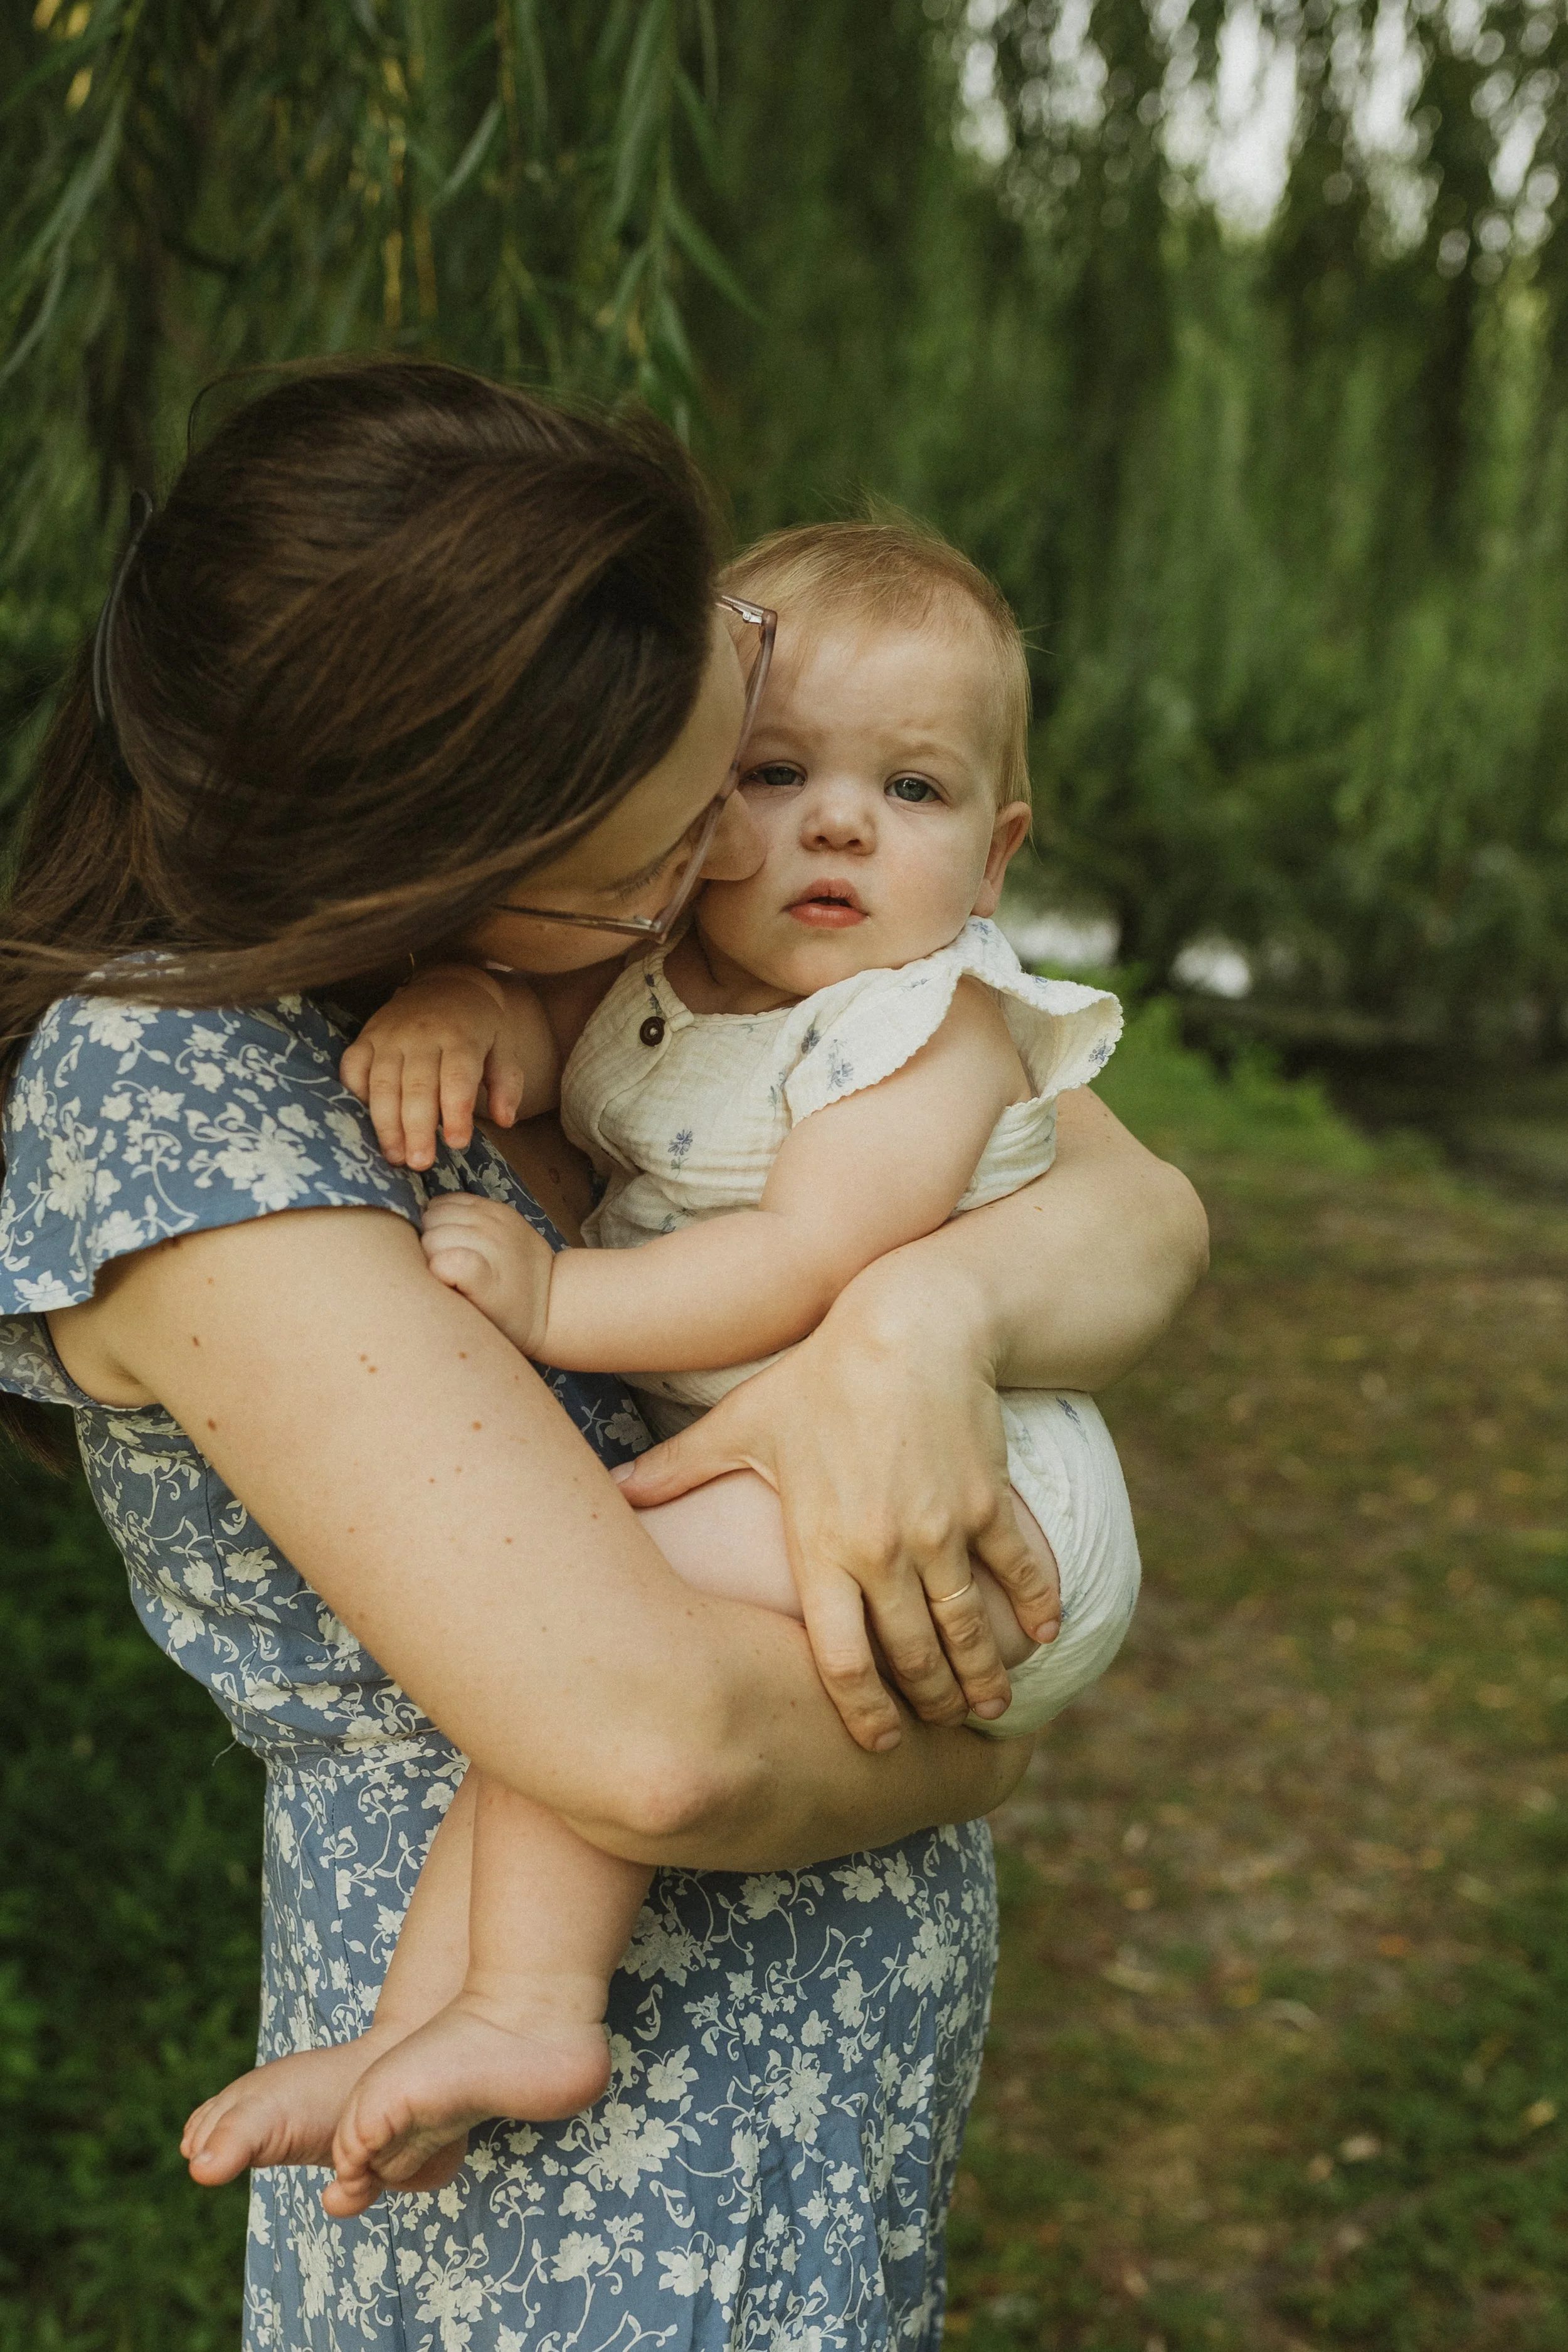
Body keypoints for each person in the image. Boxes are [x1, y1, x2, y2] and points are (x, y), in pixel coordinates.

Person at [0, 361, 1206, 2351]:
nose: (720, 880)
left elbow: (1135, 1196)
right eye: (663, 850)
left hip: (825, 2078)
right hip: (559, 2194)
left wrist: (930, 1316)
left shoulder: (696, 961)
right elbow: (660, 1736)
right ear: (430, 848)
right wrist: (981, 1726)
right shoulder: (184, 1082)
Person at [186, 517, 1148, 2217]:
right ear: (697, 794)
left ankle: (518, 2005)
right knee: (566, 1660)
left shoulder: (921, 1027)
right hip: (806, 1462)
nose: (838, 822)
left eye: (910, 792)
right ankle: (433, 2022)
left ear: (992, 858)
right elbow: (546, 1041)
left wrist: (552, 1305)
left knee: (582, 1631)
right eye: (776, 772)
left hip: (978, 1495)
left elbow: (802, 1260)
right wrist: (454, 1011)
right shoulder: (665, 975)